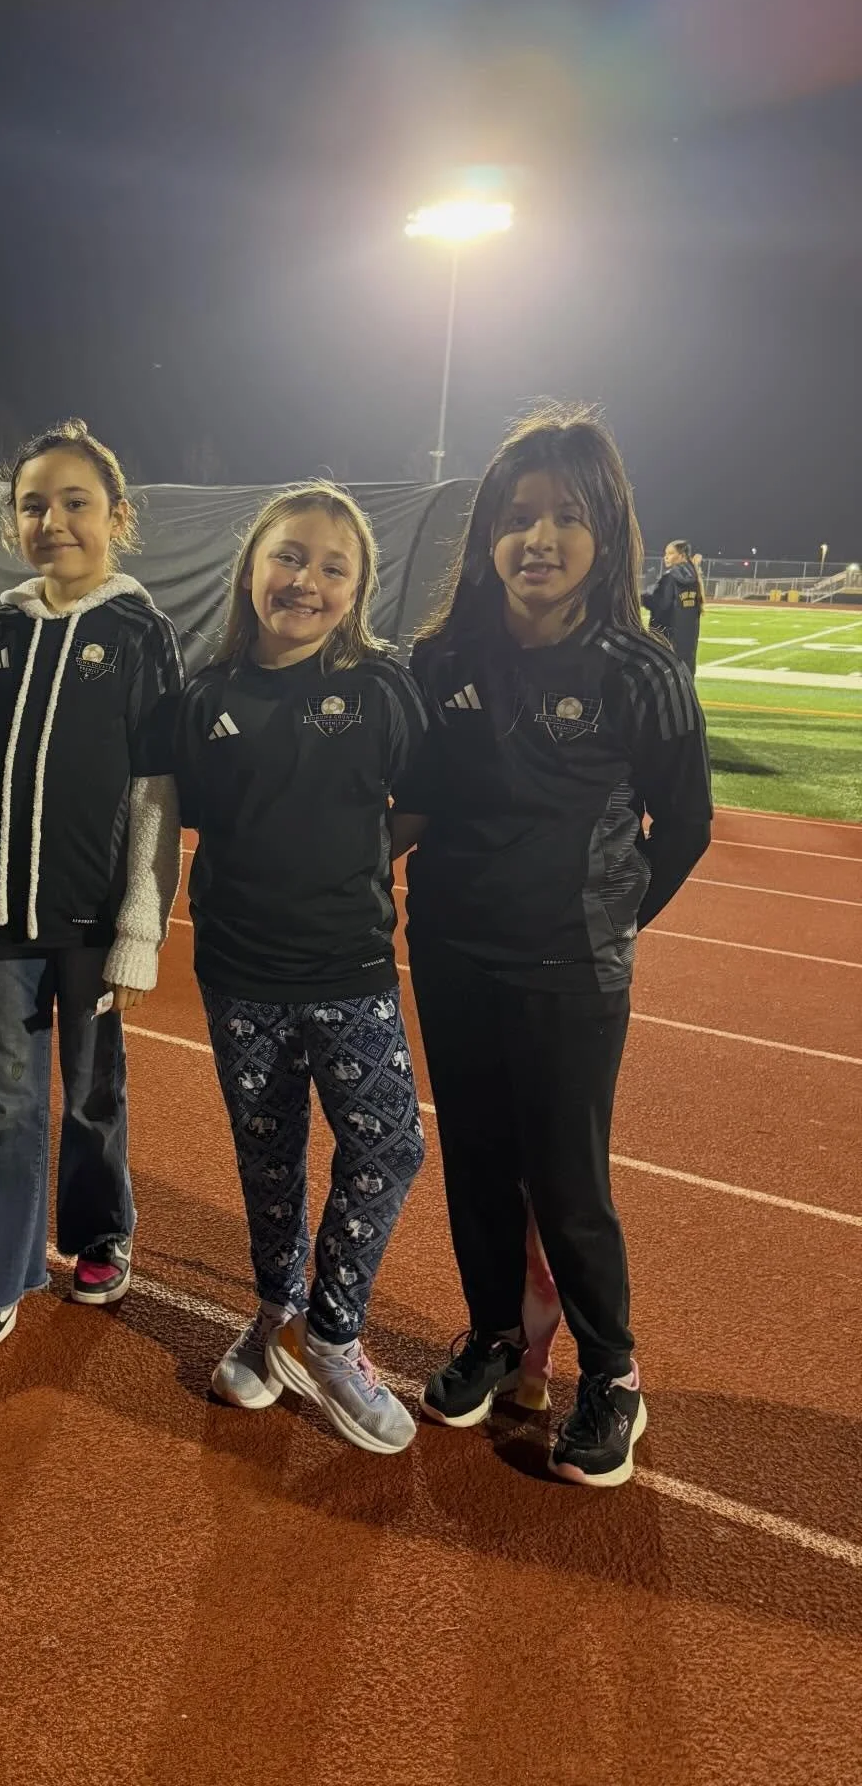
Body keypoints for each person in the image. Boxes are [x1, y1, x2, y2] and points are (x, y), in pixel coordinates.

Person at [392, 406, 713, 1488]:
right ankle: (494, 1334)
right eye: (519, 517)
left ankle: (612, 1375)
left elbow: (689, 824)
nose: (539, 538)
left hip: (571, 971)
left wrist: (616, 919)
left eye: (566, 517)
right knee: (476, 1162)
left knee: (568, 1181)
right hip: (450, 952)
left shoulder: (642, 670)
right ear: (487, 533)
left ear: (607, 532)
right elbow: (419, 800)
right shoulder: (444, 661)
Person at [0, 418, 183, 1390]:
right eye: (33, 503)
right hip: (7, 925)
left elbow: (156, 794)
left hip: (95, 921)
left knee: (95, 1092)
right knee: (4, 1102)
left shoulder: (139, 632)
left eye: (75, 501)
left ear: (117, 516)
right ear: (11, 522)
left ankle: (102, 1229)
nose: (53, 519)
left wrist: (140, 928)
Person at [175, 483, 429, 1454]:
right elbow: (191, 815)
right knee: (268, 1159)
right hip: (240, 972)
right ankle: (275, 1314)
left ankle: (330, 1333)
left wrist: (348, 866)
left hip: (351, 967)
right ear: (251, 569)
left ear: (359, 587)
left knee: (389, 1149)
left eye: (333, 566)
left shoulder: (383, 689)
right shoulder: (208, 695)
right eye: (289, 557)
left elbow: (421, 804)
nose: (306, 580)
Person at [642, 539, 705, 674]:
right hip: (687, 643)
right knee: (685, 678)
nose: (666, 557)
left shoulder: (670, 578)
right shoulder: (695, 580)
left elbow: (661, 606)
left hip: (666, 641)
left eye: (670, 553)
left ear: (682, 556)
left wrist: (645, 595)